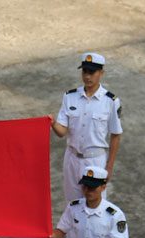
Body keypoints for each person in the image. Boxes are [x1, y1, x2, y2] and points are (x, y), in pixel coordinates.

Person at [51, 52, 122, 205]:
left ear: (101, 73)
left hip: (95, 160)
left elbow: (116, 134)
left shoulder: (110, 101)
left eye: (92, 72)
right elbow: (62, 132)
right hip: (72, 159)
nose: (87, 76)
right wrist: (53, 123)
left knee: (95, 205)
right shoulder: (70, 97)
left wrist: (109, 166)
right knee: (72, 205)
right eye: (85, 72)